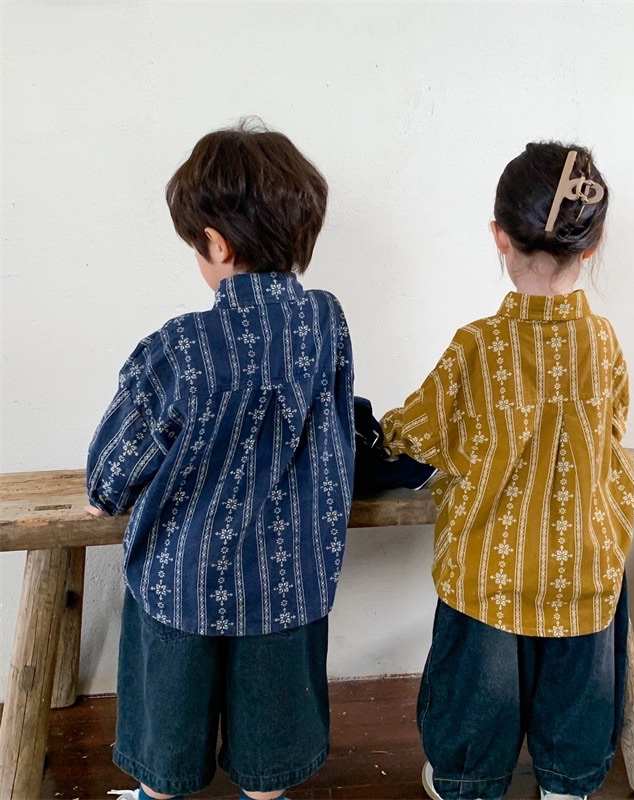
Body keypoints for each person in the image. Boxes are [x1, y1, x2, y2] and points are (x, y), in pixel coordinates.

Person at [86, 120, 355, 800]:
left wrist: (105, 491)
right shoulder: (325, 323)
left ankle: (158, 793)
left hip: (185, 578)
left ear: (216, 243)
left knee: (167, 732)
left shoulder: (183, 345)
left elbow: (123, 451)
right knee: (272, 738)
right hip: (291, 579)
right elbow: (337, 420)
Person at [380, 142, 634, 800]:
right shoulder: (603, 340)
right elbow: (613, 427)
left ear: (500, 235)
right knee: (577, 697)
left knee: (476, 701)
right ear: (593, 243)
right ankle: (566, 785)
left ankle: (469, 779)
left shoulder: (479, 345)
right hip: (584, 561)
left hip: (489, 566)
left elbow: (414, 436)